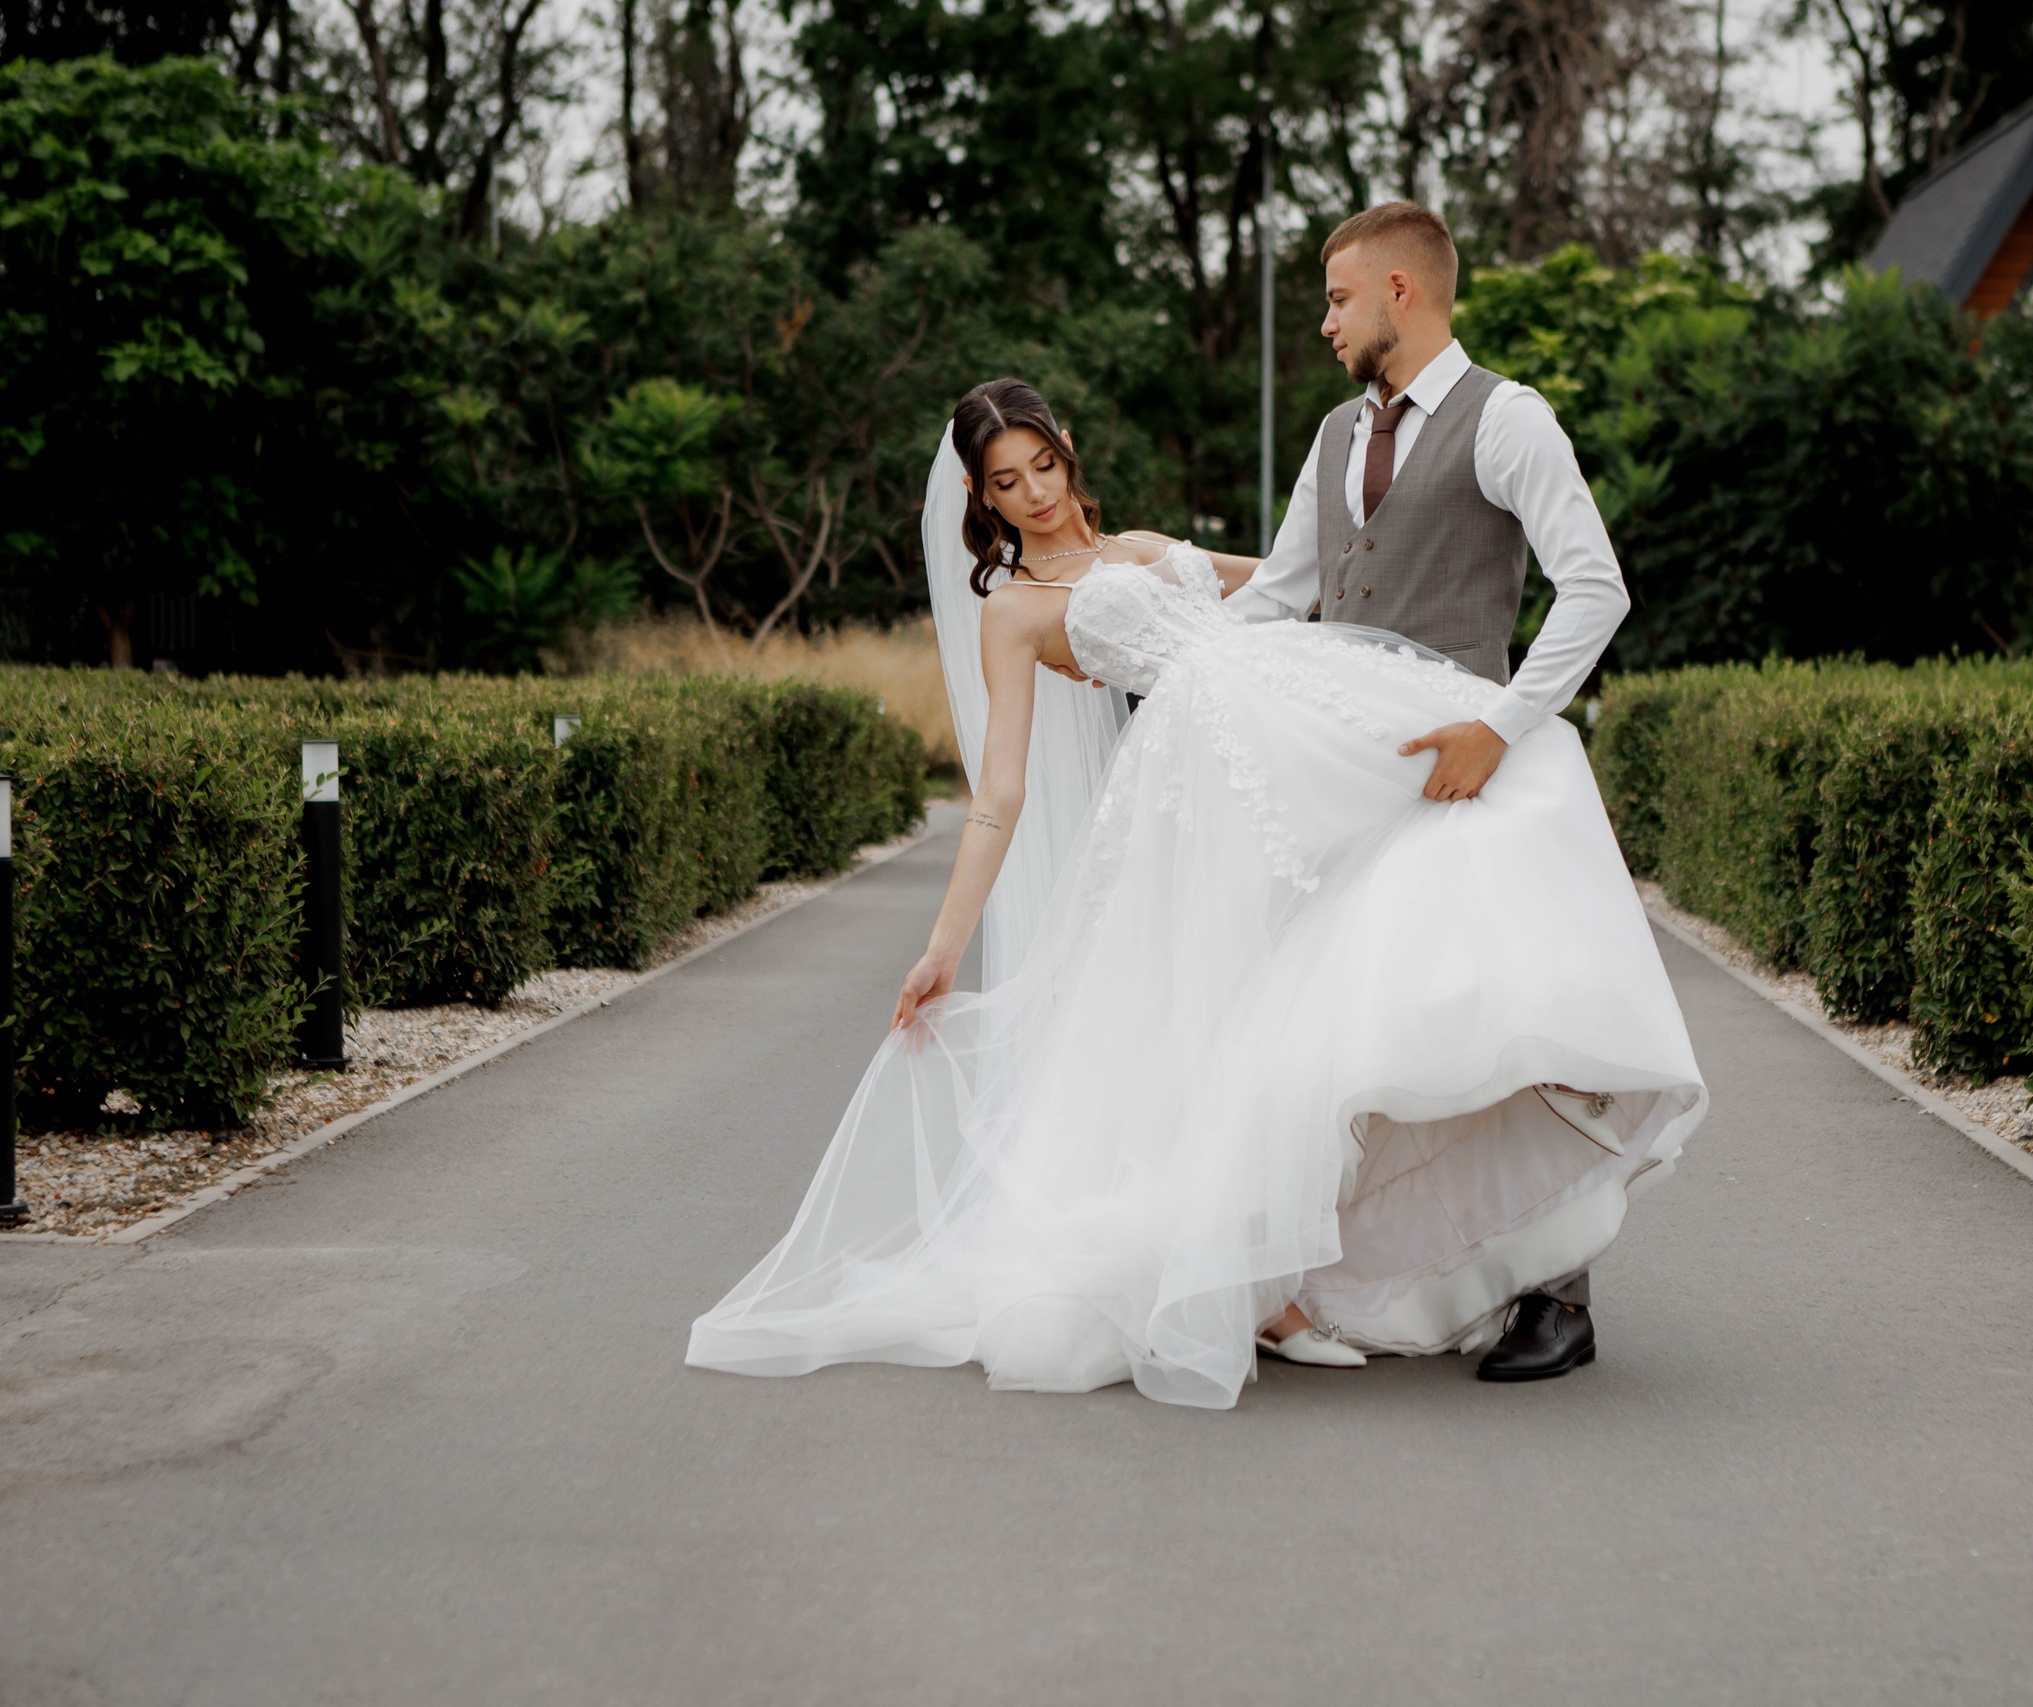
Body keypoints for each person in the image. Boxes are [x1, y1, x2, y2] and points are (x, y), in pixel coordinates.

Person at [685, 382, 1703, 1415]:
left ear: (1067, 449)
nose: (1034, 493)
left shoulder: (1143, 545)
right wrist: (943, 946)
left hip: (1293, 713)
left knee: (1471, 822)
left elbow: (1294, 585)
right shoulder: (1015, 610)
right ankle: (1264, 1290)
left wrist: (1414, 585)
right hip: (1201, 782)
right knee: (1228, 1016)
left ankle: (1506, 1124)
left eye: (1043, 465)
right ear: (982, 500)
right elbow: (999, 791)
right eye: (1006, 482)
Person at [1224, 201, 1636, 1381]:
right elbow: (1281, 595)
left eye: (1337, 298)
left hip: (1469, 775)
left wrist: (1500, 727)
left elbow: (1594, 588)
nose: (1325, 322)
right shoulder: (1332, 436)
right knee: (1366, 1033)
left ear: (1399, 292)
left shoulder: (1507, 418)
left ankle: (1559, 1296)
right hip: (1347, 780)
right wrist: (1160, 658)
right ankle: (1370, 1273)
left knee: (1511, 1023)